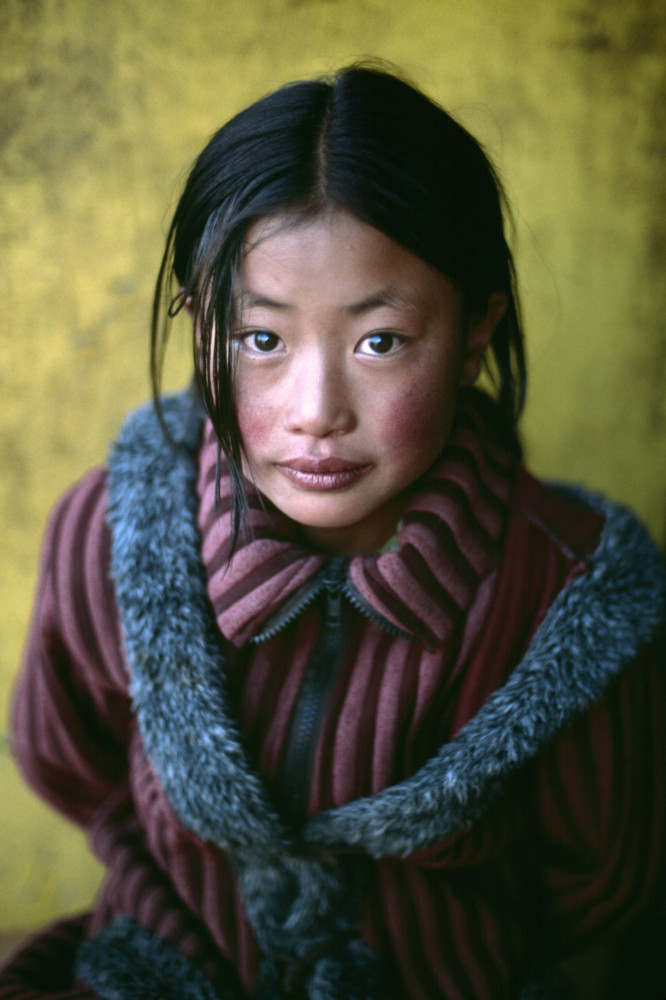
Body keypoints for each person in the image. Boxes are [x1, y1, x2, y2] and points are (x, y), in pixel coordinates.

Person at [2, 63, 665, 1000]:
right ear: (198, 323)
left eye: (379, 342)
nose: (316, 412)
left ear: (479, 333)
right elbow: (68, 760)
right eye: (261, 339)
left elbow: (601, 880)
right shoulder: (112, 533)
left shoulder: (565, 593)